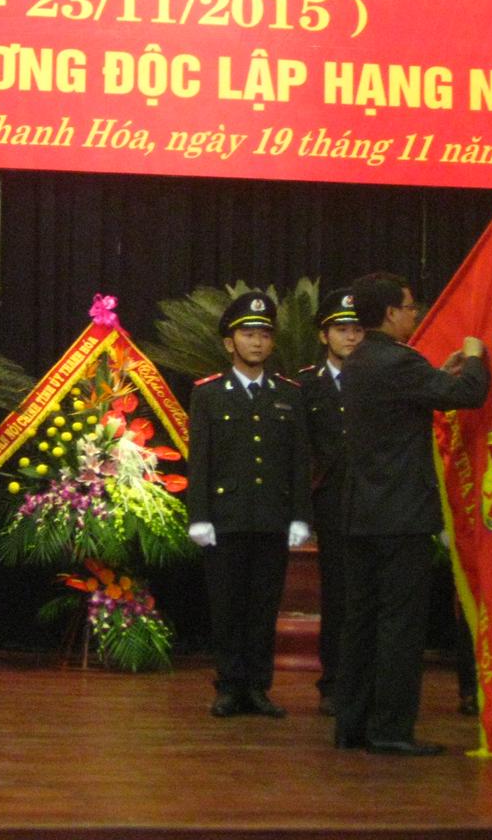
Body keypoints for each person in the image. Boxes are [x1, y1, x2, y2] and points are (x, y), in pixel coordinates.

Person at [334, 272, 489, 756]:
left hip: (360, 514)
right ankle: (392, 730)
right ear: (388, 313)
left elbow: (409, 396)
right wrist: (476, 357)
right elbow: (468, 395)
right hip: (402, 516)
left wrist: (440, 371)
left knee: (360, 624)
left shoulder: (359, 360)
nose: (414, 313)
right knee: (400, 626)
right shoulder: (399, 361)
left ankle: (352, 725)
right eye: (408, 306)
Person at [185, 292, 312, 719]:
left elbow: (298, 460)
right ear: (229, 343)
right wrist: (199, 515)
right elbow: (200, 459)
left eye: (264, 335)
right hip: (226, 518)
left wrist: (300, 515)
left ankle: (258, 687)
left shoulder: (288, 394)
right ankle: (228, 686)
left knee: (263, 608)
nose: (257, 342)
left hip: (272, 518)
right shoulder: (209, 393)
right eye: (248, 334)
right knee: (227, 608)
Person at [296, 287, 363, 716]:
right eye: (341, 329)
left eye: (357, 329)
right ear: (324, 336)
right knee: (337, 595)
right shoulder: (306, 385)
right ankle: (334, 683)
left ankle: (367, 683)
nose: (350, 336)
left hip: (375, 499)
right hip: (332, 500)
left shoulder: (377, 378)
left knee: (369, 596)